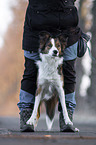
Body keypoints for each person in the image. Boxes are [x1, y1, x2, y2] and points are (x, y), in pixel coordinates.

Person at [17, 0, 81, 132]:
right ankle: (27, 114)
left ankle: (66, 115)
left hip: (68, 28)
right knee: (30, 72)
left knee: (69, 72)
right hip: (36, 27)